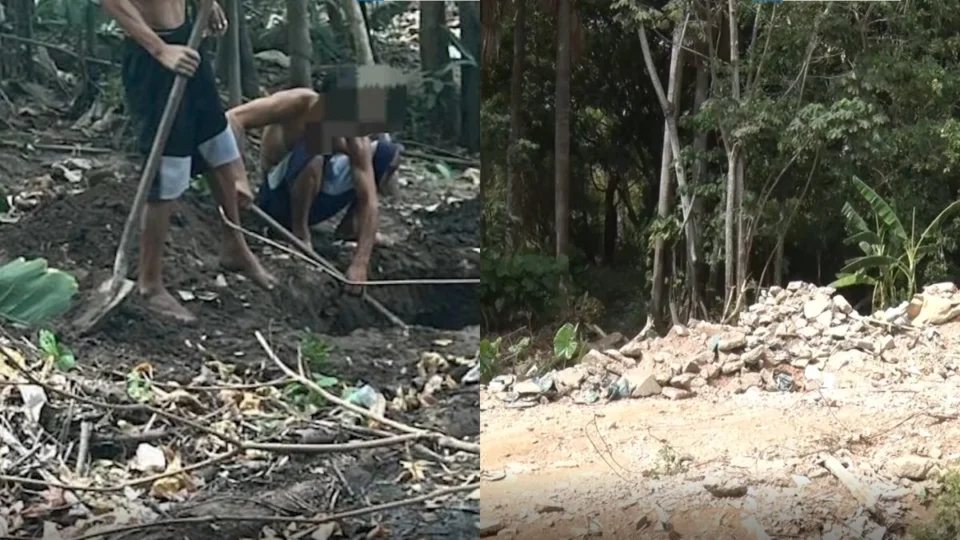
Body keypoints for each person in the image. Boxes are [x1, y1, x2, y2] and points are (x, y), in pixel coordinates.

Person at [101, 0, 276, 323]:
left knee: (217, 145)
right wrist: (158, 49)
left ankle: (234, 246)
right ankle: (150, 283)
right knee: (168, 169)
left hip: (186, 40)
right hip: (153, 56)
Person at [225, 88, 403, 287]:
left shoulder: (355, 136)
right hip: (275, 201)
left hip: (317, 196)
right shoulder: (298, 103)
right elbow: (232, 118)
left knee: (386, 152)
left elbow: (369, 200)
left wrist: (360, 262)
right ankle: (300, 234)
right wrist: (238, 178)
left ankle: (350, 227)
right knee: (314, 151)